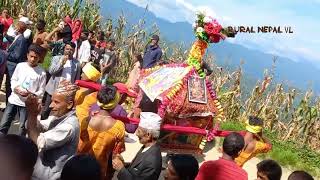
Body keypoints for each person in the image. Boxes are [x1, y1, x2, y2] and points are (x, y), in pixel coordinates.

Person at [25, 81, 80, 180]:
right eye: (51, 101)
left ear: (69, 104)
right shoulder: (59, 116)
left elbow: (38, 141)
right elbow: (39, 126)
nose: (50, 105)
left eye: (56, 102)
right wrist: (35, 114)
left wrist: (31, 115)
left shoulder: (68, 127)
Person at [78, 85, 126, 180]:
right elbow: (118, 151)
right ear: (115, 103)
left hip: (79, 165)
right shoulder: (118, 127)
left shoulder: (86, 120)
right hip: (99, 170)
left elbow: (80, 142)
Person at [0, 44, 46, 135]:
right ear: (27, 55)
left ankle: (19, 146)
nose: (32, 59)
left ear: (39, 58)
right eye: (31, 56)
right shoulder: (20, 66)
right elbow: (14, 79)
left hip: (27, 104)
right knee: (4, 124)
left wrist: (31, 94)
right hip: (13, 100)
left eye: (35, 57)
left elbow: (41, 90)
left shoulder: (42, 73)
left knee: (22, 128)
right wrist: (15, 89)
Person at [112, 112, 163, 180]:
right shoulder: (146, 147)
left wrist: (121, 169)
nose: (136, 134)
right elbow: (135, 170)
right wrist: (123, 165)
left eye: (139, 131)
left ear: (148, 135)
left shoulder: (152, 161)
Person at [41, 41, 81, 120]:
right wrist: (61, 63)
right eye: (67, 49)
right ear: (64, 49)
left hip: (66, 92)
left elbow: (77, 79)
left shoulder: (76, 63)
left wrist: (73, 90)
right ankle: (41, 125)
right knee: (47, 109)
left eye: (71, 50)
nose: (69, 51)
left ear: (74, 51)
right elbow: (51, 71)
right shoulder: (57, 58)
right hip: (53, 89)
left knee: (61, 112)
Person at [5, 18, 29, 103]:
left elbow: (17, 55)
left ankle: (10, 104)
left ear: (19, 27)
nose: (14, 27)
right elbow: (13, 42)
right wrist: (6, 36)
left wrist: (6, 54)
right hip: (11, 64)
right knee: (8, 84)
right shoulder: (18, 37)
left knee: (10, 85)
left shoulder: (21, 39)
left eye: (16, 25)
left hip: (12, 65)